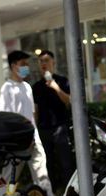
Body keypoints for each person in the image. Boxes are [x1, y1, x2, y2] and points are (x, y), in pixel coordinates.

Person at [0, 50, 58, 196]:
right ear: (12, 66)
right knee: (9, 178)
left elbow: (32, 114)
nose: (25, 68)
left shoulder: (26, 88)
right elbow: (4, 117)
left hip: (32, 137)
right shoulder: (6, 89)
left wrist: (33, 133)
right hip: (16, 142)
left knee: (41, 174)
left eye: (26, 64)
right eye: (22, 64)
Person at [32, 50, 76, 187]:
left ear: (53, 62)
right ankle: (52, 193)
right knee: (47, 163)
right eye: (41, 61)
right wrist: (34, 129)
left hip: (60, 127)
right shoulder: (37, 86)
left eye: (46, 60)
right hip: (44, 129)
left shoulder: (62, 81)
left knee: (66, 162)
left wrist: (55, 87)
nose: (44, 63)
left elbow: (68, 101)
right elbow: (36, 109)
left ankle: (71, 192)